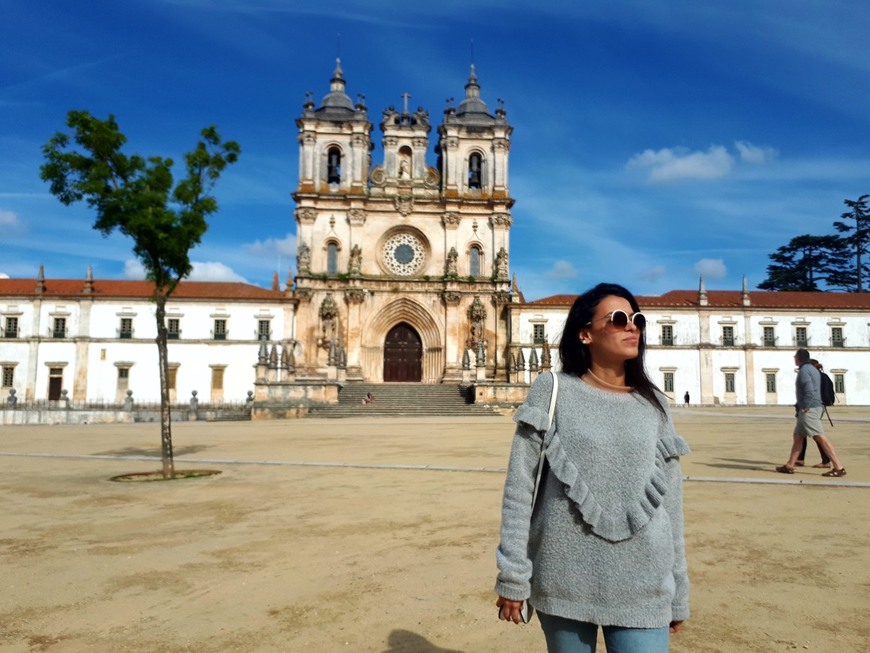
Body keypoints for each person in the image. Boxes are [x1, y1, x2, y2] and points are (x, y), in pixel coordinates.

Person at [495, 283, 690, 653]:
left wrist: (678, 588)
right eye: (619, 319)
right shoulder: (552, 390)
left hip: (644, 581)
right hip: (564, 577)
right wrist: (513, 575)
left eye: (637, 319)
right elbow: (520, 489)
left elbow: (672, 506)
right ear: (585, 333)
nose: (632, 327)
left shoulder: (656, 407)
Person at [776, 349, 845, 477]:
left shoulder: (804, 371)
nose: (794, 359)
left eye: (795, 357)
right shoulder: (813, 370)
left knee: (819, 437)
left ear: (799, 358)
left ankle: (838, 467)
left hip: (810, 408)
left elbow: (809, 389)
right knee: (798, 437)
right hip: (814, 407)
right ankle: (789, 465)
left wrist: (805, 406)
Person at [795, 359, 831, 468]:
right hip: (819, 407)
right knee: (801, 434)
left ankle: (827, 461)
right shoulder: (823, 376)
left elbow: (809, 393)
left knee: (816, 435)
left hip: (810, 408)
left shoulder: (812, 377)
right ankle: (799, 459)